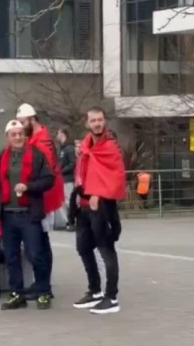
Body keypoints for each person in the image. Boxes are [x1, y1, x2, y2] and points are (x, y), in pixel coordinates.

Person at [0, 120, 54, 310]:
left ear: (25, 135)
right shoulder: (1, 157)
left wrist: (29, 187)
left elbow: (49, 180)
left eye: (20, 133)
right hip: (7, 215)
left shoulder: (36, 155)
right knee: (11, 257)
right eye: (13, 134)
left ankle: (43, 292)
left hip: (29, 214)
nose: (17, 137)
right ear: (7, 137)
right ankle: (17, 294)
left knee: (35, 255)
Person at [73, 107, 126, 315]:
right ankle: (94, 290)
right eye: (93, 120)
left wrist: (99, 194)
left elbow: (116, 176)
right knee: (83, 248)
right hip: (84, 206)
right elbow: (84, 172)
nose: (97, 124)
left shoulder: (110, 147)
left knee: (106, 250)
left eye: (100, 120)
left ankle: (111, 297)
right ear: (87, 123)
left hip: (102, 206)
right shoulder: (86, 146)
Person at [15, 103, 64, 299]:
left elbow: (42, 173)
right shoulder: (40, 138)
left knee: (41, 242)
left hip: (43, 197)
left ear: (32, 120)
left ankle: (43, 285)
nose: (20, 126)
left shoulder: (40, 142)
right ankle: (42, 283)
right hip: (44, 196)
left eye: (22, 122)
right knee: (41, 241)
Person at [57, 128, 77, 229]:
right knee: (64, 202)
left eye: (58, 133)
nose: (57, 136)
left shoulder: (69, 148)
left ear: (62, 134)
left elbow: (73, 163)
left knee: (69, 201)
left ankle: (73, 221)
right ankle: (68, 221)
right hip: (62, 179)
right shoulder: (62, 149)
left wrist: (62, 170)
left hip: (68, 180)